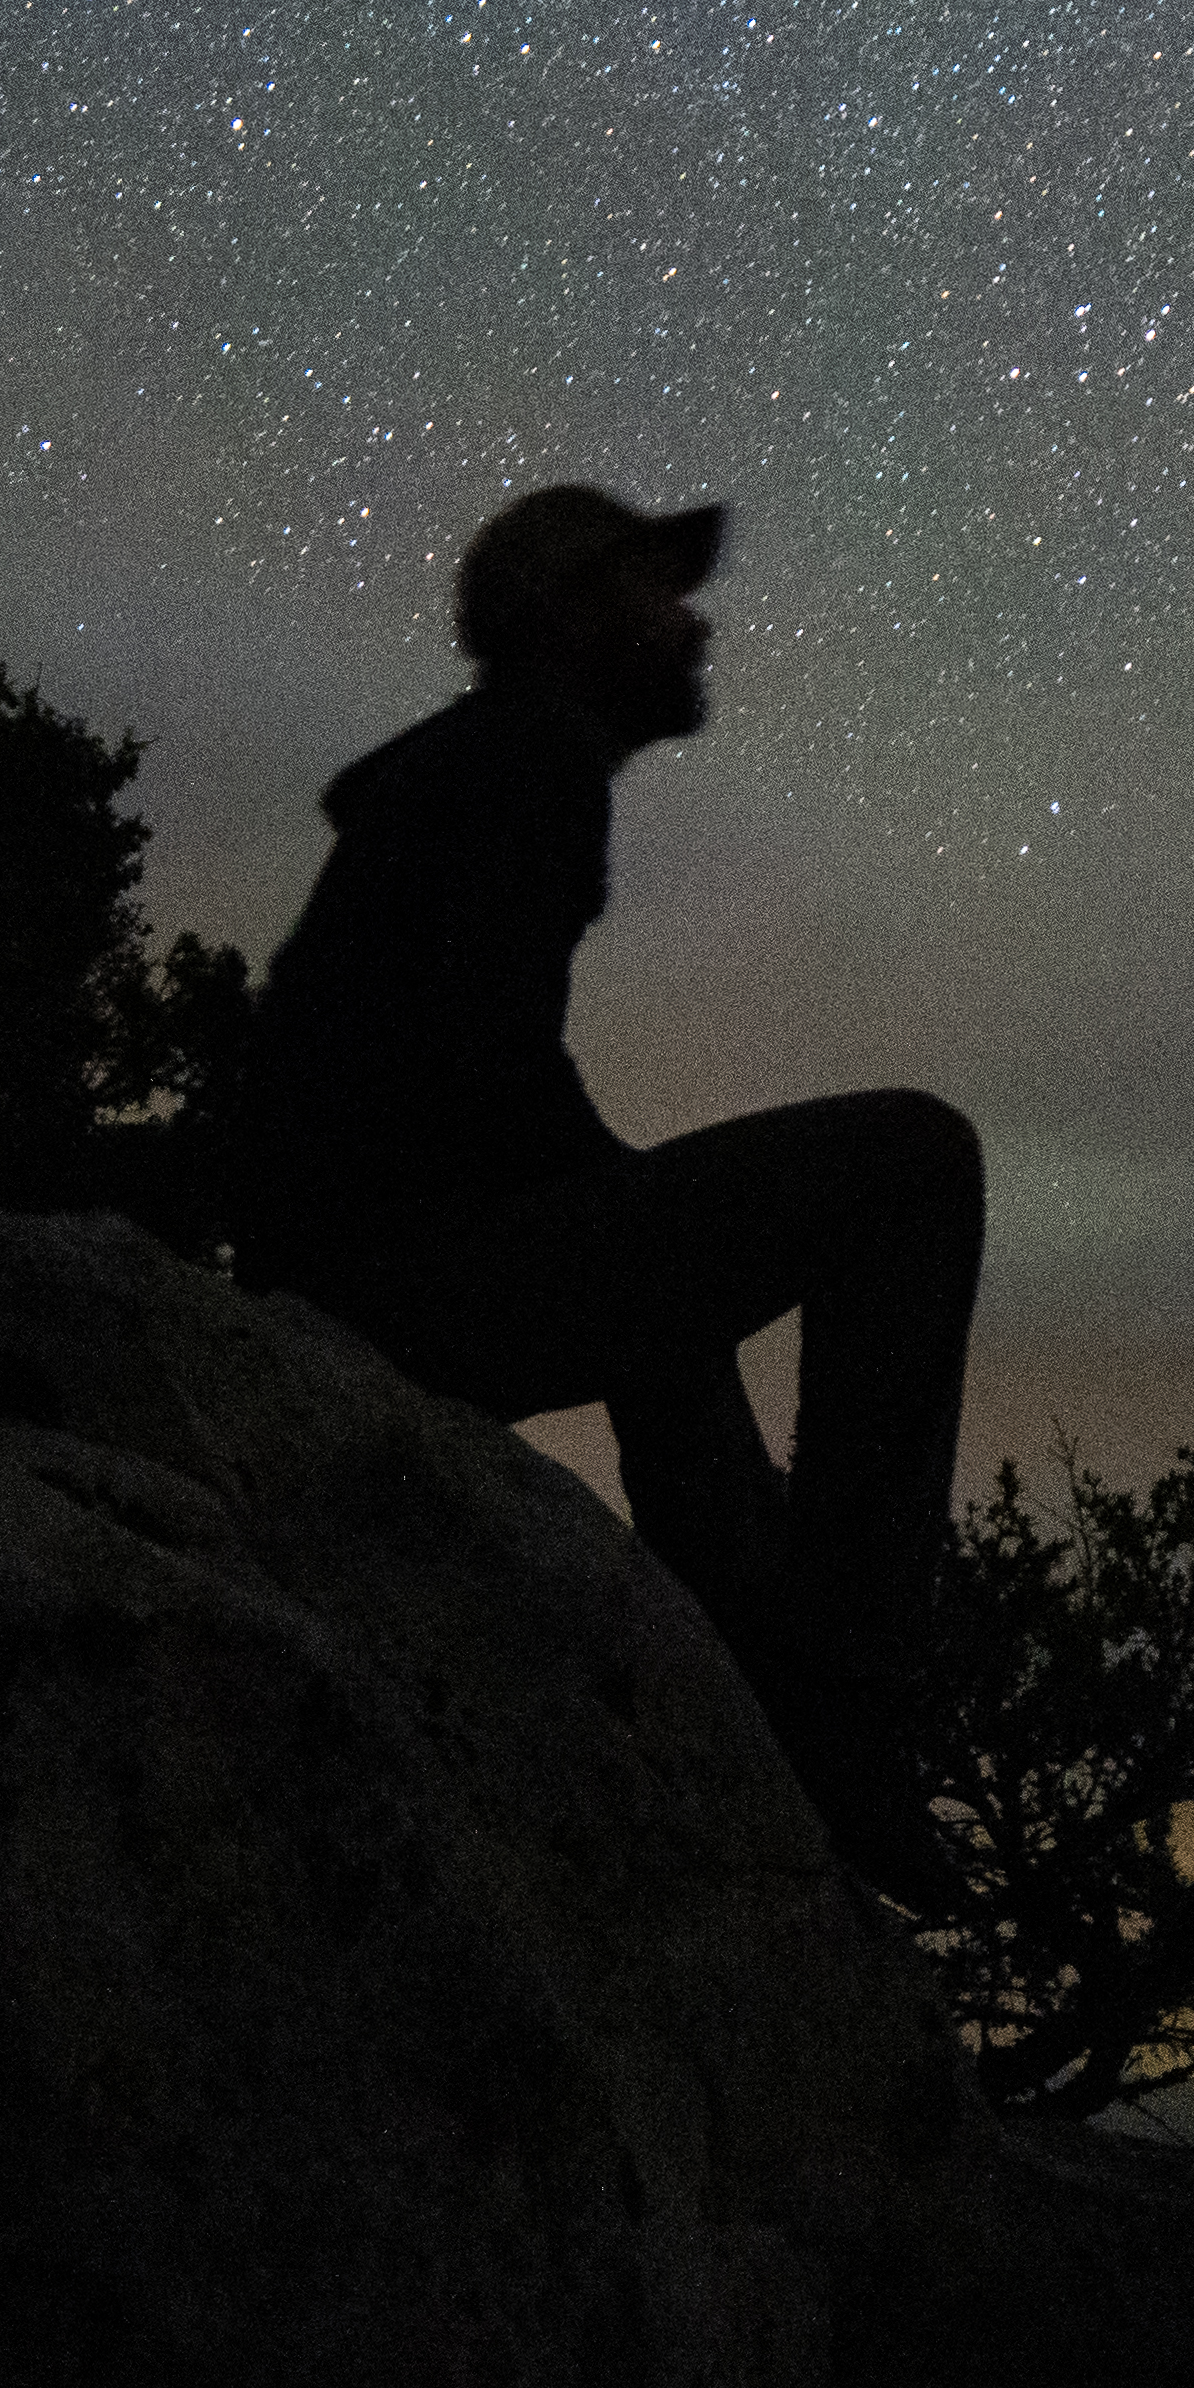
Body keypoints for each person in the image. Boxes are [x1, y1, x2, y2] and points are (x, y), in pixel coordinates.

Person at [242, 487, 981, 1898]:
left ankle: (767, 1690)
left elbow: (462, 1070)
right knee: (913, 1163)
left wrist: (628, 1215)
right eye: (657, 589)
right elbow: (477, 1074)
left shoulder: (481, 769)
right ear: (568, 613)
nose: (693, 621)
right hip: (397, 1289)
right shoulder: (526, 760)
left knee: (663, 1275)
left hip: (355, 1268)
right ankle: (844, 1708)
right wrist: (624, 1211)